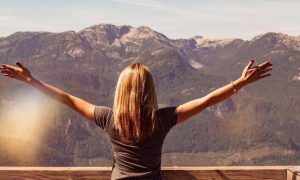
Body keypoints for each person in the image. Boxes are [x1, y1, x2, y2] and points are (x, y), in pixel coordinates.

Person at [0, 60, 272, 179]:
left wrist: (32, 81)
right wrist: (240, 83)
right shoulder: (162, 120)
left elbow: (68, 99)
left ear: (121, 89)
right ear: (150, 90)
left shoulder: (108, 119)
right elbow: (206, 101)